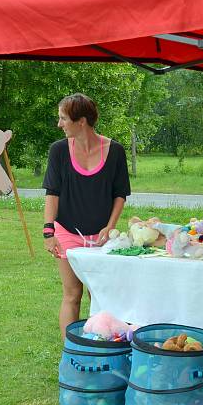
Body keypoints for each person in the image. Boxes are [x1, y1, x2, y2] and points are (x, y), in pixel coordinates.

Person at [42, 93, 130, 339]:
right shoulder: (58, 151)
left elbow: (120, 194)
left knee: (99, 294)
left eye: (63, 118)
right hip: (67, 233)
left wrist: (110, 227)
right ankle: (72, 351)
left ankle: (99, 346)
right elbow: (52, 192)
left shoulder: (115, 151)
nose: (59, 124)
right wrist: (49, 231)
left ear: (81, 121)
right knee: (72, 294)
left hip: (101, 237)